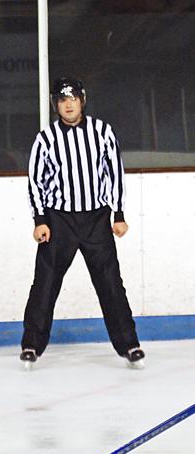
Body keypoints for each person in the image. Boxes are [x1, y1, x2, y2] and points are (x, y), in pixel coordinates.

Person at [20, 76, 144, 369]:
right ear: (56, 105)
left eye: (73, 98)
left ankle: (129, 344)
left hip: (96, 219)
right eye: (62, 100)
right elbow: (36, 182)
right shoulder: (46, 139)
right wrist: (40, 220)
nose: (68, 104)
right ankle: (31, 345)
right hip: (59, 220)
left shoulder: (102, 132)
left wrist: (119, 214)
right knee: (46, 283)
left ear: (82, 100)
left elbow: (115, 172)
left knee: (110, 282)